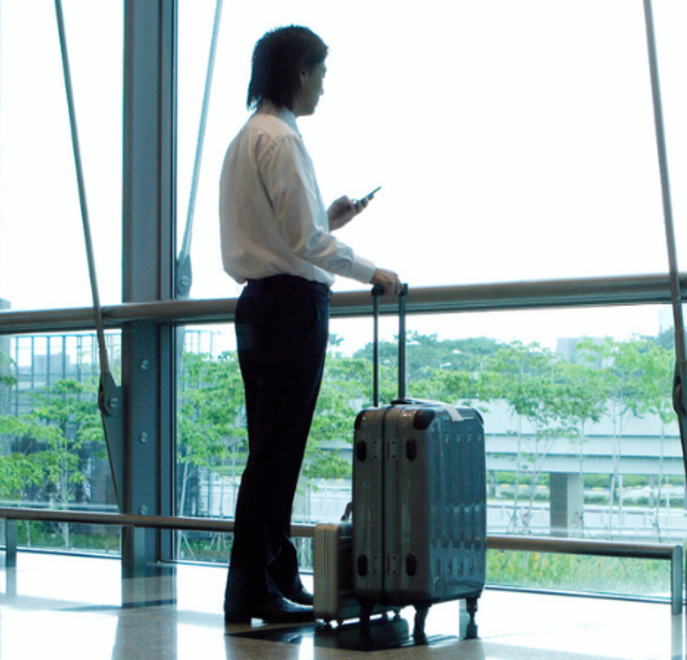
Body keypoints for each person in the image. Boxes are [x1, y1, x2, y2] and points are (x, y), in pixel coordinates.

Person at [219, 25, 402, 625]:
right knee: (276, 454)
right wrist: (372, 270)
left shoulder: (248, 138)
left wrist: (330, 221)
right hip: (291, 310)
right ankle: (251, 588)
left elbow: (285, 236)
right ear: (298, 72)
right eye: (320, 73)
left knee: (270, 449)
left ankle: (272, 573)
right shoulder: (282, 141)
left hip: (259, 306)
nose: (324, 85)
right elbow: (303, 242)